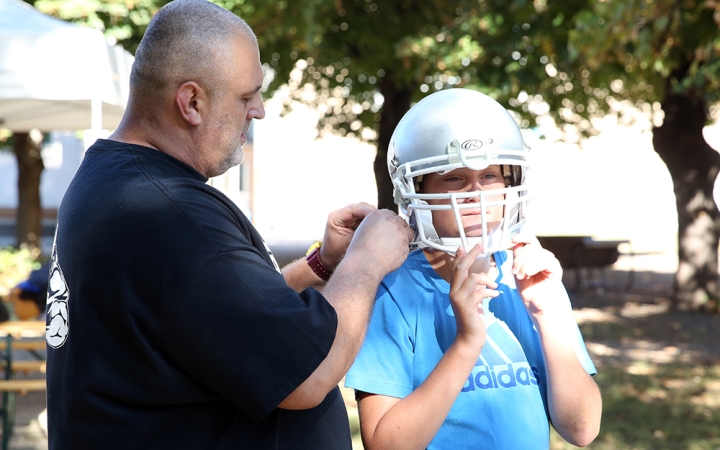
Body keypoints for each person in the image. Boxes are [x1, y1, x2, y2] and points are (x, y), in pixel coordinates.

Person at [44, 1, 413, 449]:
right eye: (246, 95)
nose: (258, 111)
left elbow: (224, 318)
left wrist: (323, 264)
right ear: (191, 101)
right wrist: (365, 263)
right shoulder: (170, 216)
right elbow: (308, 374)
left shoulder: (116, 183)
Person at [344, 88, 602, 449]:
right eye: (453, 178)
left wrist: (548, 317)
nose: (475, 192)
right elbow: (386, 445)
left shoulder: (530, 277)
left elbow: (582, 429)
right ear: (416, 188)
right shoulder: (393, 292)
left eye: (491, 175)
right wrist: (467, 342)